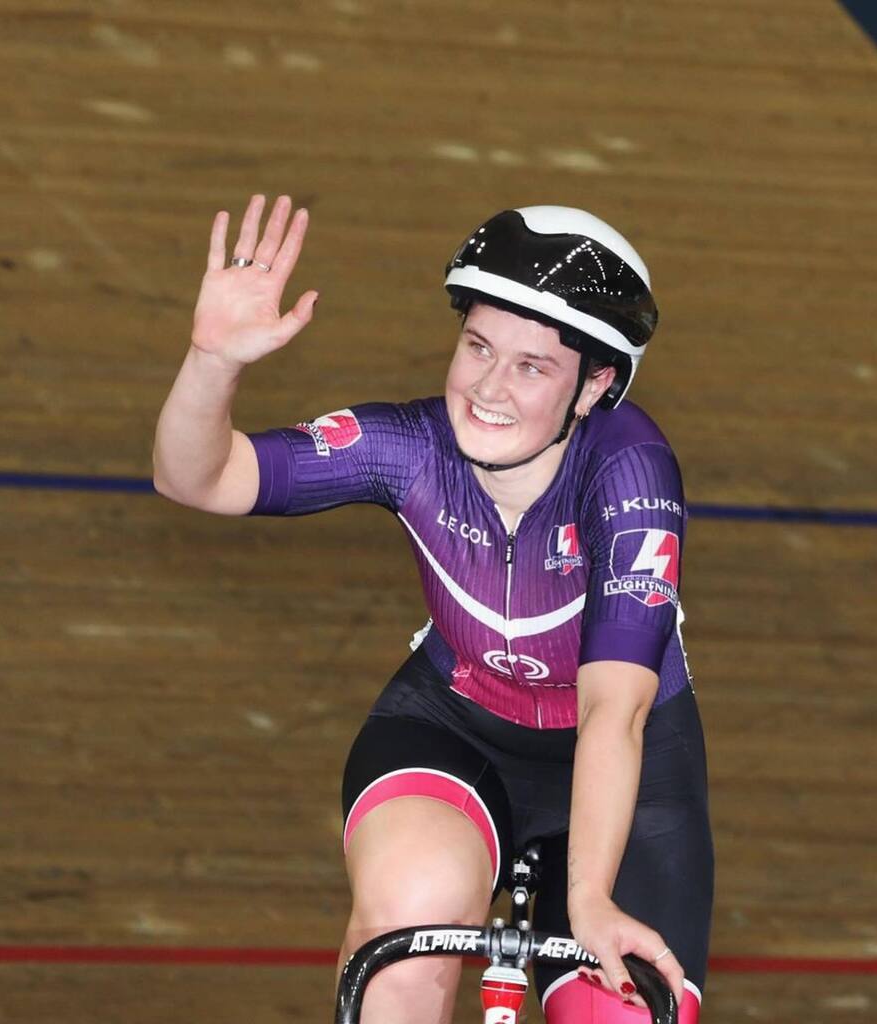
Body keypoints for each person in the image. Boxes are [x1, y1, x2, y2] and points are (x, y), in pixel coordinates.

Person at [153, 195, 713, 1024]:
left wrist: (588, 894)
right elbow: (195, 478)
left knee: (621, 1012)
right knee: (401, 953)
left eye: (532, 366)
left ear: (595, 385)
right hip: (453, 730)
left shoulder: (630, 473)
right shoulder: (410, 446)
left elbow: (612, 714)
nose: (487, 388)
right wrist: (211, 360)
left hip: (624, 758)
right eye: (479, 347)